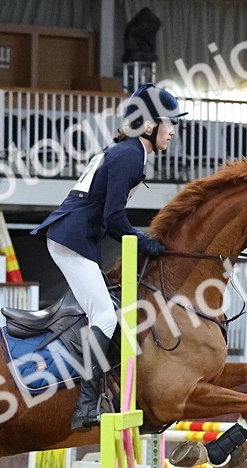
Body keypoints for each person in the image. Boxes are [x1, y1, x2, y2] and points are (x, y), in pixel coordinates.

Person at [32, 83, 187, 430]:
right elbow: (112, 218)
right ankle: (85, 405)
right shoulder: (129, 156)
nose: (174, 131)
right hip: (71, 240)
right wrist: (139, 238)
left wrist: (140, 237)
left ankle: (107, 386)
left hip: (77, 239)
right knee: (104, 318)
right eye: (169, 123)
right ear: (149, 126)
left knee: (112, 308)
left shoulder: (128, 152)